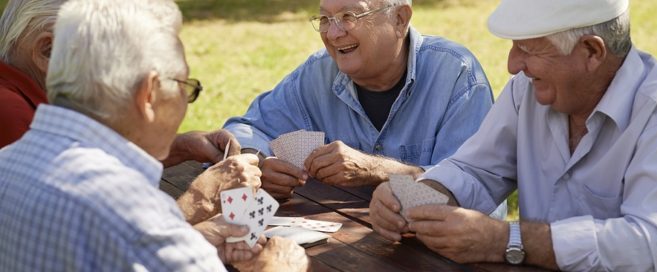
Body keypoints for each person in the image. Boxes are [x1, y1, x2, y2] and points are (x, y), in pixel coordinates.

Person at [0, 0, 308, 271]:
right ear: (148, 94)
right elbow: (133, 234)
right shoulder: (136, 212)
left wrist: (197, 239)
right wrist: (277, 266)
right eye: (185, 88)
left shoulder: (8, 161)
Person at [369, 0, 657, 270]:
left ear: (591, 51)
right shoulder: (527, 88)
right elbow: (476, 170)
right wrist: (412, 197)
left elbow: (655, 243)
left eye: (527, 49)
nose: (512, 65)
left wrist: (508, 240)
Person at [224, 0, 506, 217]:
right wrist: (258, 163)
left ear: (400, 19)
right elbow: (245, 128)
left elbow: (474, 197)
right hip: (344, 252)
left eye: (349, 16)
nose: (333, 33)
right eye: (325, 19)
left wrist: (378, 170)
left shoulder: (455, 74)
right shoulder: (317, 74)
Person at [0, 0, 241, 169]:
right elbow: (91, 220)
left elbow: (93, 165)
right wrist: (200, 200)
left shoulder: (36, 103)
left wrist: (178, 147)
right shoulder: (13, 114)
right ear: (48, 52)